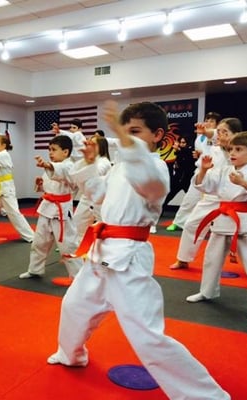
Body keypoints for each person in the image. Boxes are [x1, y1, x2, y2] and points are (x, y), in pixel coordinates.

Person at [46, 101, 230, 400]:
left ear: (157, 135)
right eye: (124, 130)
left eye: (135, 131)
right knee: (74, 307)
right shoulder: (120, 167)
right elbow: (99, 196)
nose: (126, 137)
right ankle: (71, 354)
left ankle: (205, 395)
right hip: (102, 250)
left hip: (129, 257)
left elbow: (148, 183)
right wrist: (90, 166)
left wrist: (124, 139)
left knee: (146, 336)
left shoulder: (155, 166)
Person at [185, 131, 247, 317]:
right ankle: (207, 292)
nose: (232, 153)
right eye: (231, 149)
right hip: (222, 219)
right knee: (211, 259)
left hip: (244, 224)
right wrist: (203, 170)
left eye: (238, 149)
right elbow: (206, 186)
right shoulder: (224, 170)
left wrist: (244, 183)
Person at [169, 118, 242, 270]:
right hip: (211, 196)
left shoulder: (239, 150)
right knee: (191, 224)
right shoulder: (215, 149)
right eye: (219, 132)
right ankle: (183, 259)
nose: (220, 135)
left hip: (233, 198)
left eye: (224, 132)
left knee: (245, 235)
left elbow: (221, 139)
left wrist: (210, 132)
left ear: (236, 135)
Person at [19, 135, 82, 279]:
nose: (50, 152)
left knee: (68, 246)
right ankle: (35, 269)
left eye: (54, 149)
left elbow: (62, 172)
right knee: (39, 242)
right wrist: (41, 185)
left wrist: (48, 165)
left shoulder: (69, 165)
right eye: (49, 149)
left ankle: (79, 277)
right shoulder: (53, 166)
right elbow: (50, 188)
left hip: (62, 213)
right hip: (46, 208)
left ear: (65, 152)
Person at [166, 111, 222, 231]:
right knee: (189, 199)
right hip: (201, 171)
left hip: (215, 172)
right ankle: (179, 222)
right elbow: (201, 152)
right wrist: (198, 154)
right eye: (207, 120)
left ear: (217, 124)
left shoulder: (218, 134)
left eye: (212, 121)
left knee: (214, 201)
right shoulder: (199, 138)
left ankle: (214, 226)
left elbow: (214, 143)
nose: (208, 123)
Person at [71, 134, 111, 245]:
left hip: (102, 201)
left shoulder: (104, 162)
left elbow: (97, 172)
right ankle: (75, 246)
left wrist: (90, 163)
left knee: (106, 228)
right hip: (86, 198)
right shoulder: (90, 161)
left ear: (101, 147)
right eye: (89, 143)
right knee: (77, 223)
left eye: (93, 144)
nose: (89, 146)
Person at [163, 135, 196, 207]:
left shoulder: (191, 152)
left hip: (187, 179)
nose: (182, 144)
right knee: (168, 196)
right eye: (181, 143)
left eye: (183, 143)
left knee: (192, 197)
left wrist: (179, 150)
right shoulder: (179, 153)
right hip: (178, 179)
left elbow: (188, 155)